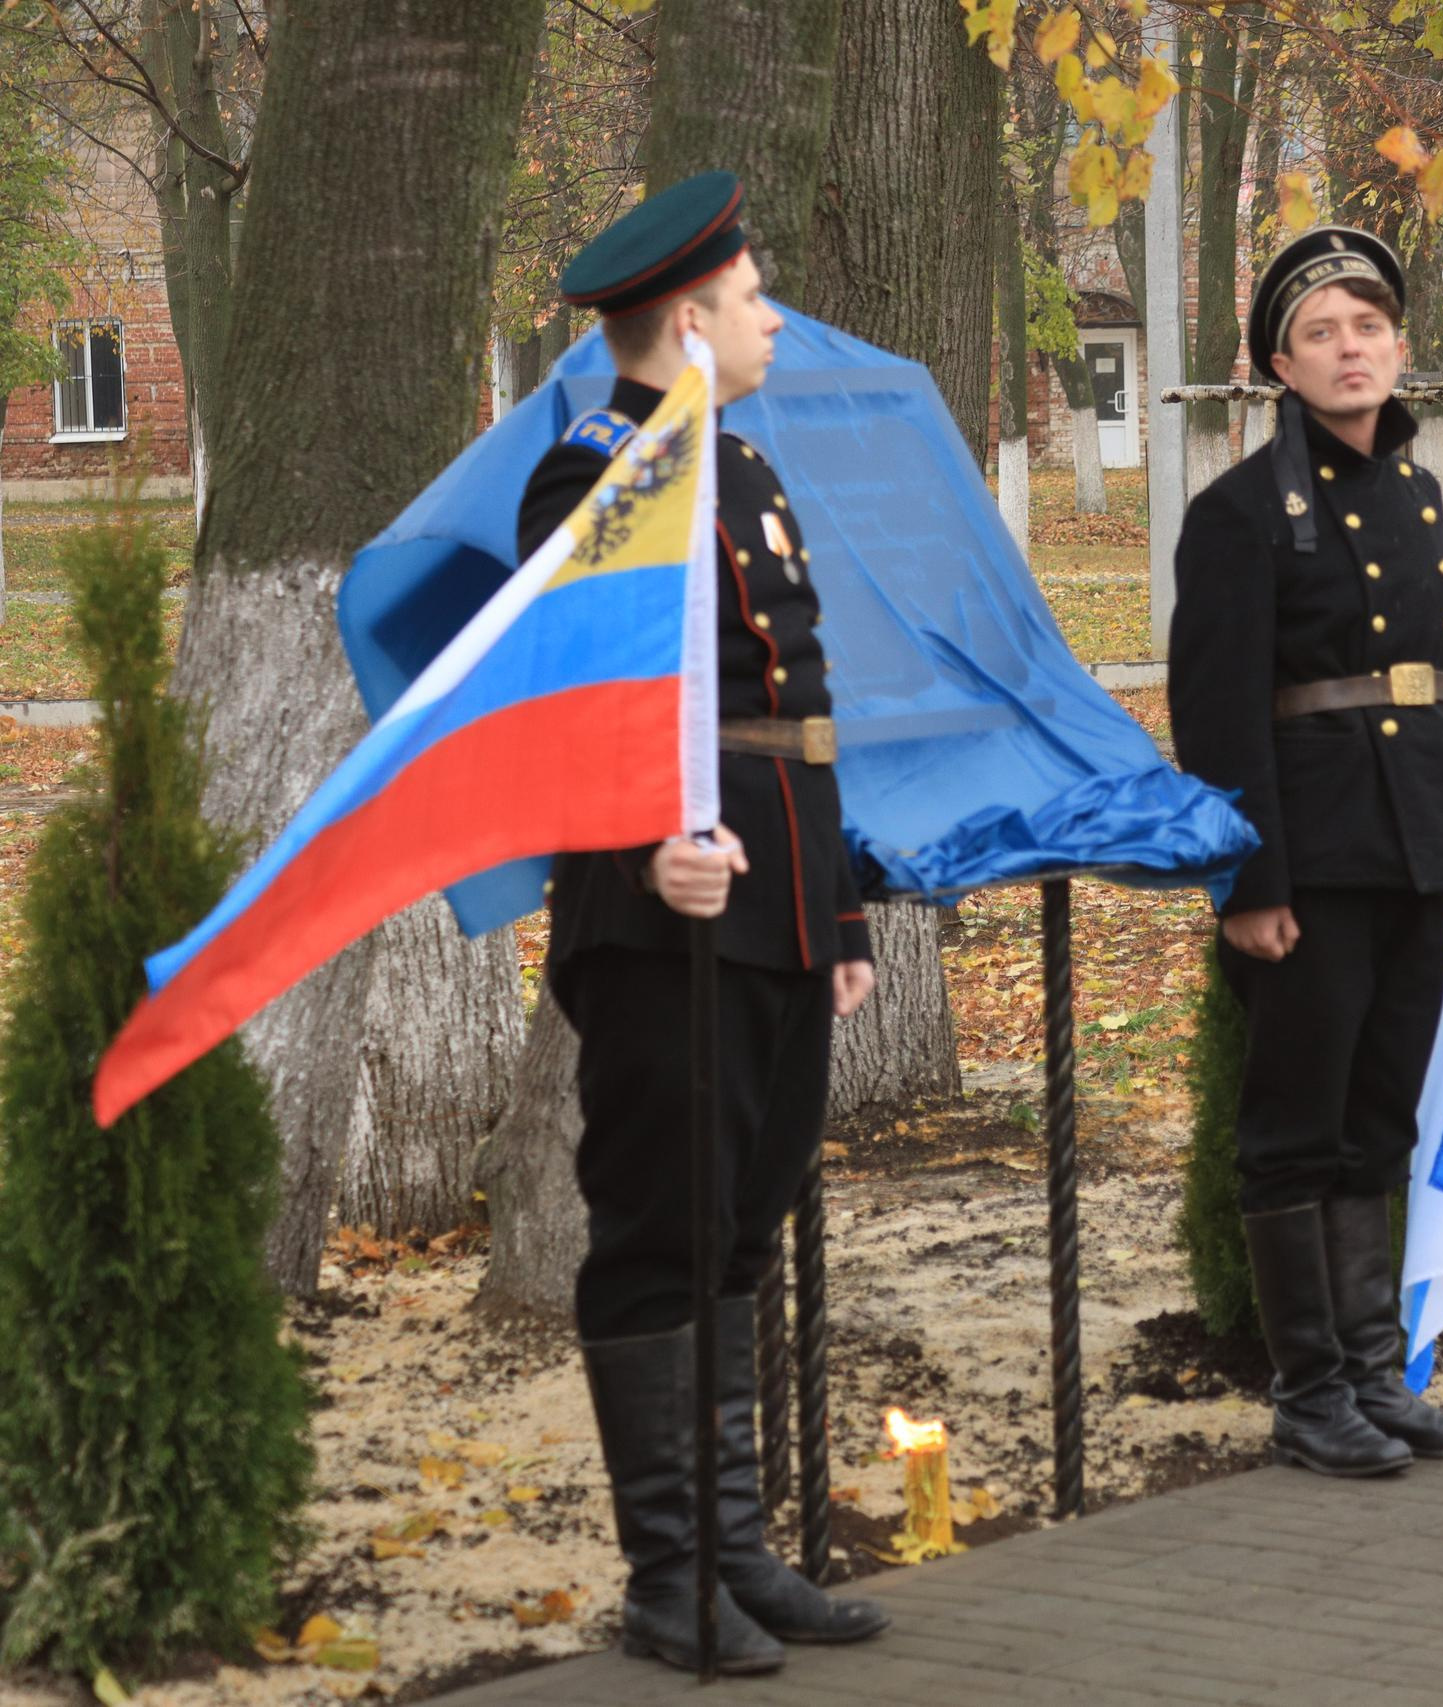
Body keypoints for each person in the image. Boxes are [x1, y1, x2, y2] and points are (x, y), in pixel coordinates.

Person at [518, 172, 888, 1672]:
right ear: (688, 318)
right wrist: (633, 852)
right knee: (662, 1230)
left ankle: (736, 1544)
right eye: (753, 294)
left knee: (744, 1221)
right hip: (662, 911)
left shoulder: (741, 466)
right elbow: (558, 707)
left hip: (778, 897)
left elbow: (797, 707)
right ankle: (667, 1576)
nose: (773, 312)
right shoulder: (592, 476)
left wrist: (841, 907)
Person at [1169, 227, 1443, 1477]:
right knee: (1294, 1127)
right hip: (1306, 864)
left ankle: (1372, 1373)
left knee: (1379, 1121)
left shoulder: (1415, 493)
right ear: (1277, 367)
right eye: (1321, 333)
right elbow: (1214, 714)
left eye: (1367, 327)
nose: (1348, 349)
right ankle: (1310, 1393)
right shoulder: (1237, 516)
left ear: (1402, 348)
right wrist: (1246, 884)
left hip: (1416, 843)